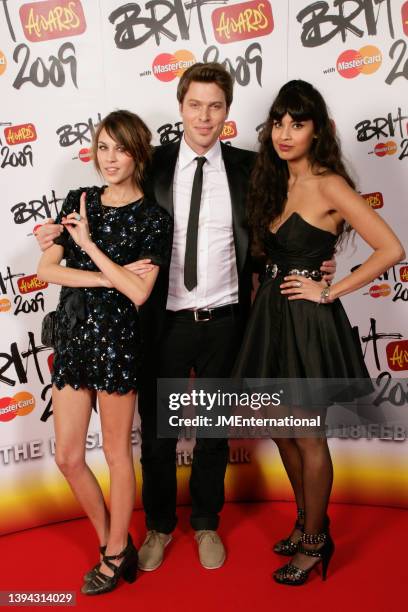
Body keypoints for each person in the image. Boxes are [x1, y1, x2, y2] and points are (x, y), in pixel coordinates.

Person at [36, 64, 335, 571]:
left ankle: (206, 524)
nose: (204, 115)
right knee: (158, 436)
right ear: (180, 107)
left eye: (215, 105)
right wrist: (58, 237)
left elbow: (299, 215)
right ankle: (157, 526)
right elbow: (112, 213)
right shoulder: (151, 165)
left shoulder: (252, 169)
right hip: (162, 319)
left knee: (214, 432)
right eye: (195, 104)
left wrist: (320, 260)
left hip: (224, 320)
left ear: (227, 111)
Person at [232, 80, 405, 585]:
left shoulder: (329, 184)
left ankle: (314, 543)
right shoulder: (271, 180)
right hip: (271, 319)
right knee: (281, 430)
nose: (285, 133)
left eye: (298, 123)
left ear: (317, 131)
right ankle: (309, 521)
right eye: (279, 123)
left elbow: (390, 249)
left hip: (308, 324)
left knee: (308, 436)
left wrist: (330, 291)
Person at [36, 110, 172, 595]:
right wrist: (112, 275)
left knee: (116, 454)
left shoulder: (155, 219)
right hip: (74, 338)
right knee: (68, 456)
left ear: (138, 153)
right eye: (103, 147)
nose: (109, 158)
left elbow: (139, 295)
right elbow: (47, 270)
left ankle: (115, 555)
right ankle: (110, 543)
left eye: (121, 148)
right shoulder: (78, 199)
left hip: (118, 343)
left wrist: (89, 247)